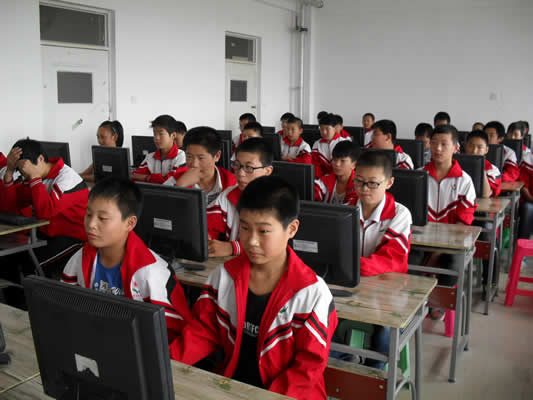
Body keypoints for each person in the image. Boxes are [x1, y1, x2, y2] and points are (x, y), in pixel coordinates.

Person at [170, 176, 337, 399]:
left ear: (292, 229)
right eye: (245, 228)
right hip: (232, 386)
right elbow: (203, 331)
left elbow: (307, 368)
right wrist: (167, 364)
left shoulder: (311, 293)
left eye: (264, 231)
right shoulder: (225, 276)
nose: (251, 241)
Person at [61, 177, 191, 341]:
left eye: (102, 218)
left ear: (130, 223)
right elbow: (65, 307)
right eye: (88, 214)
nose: (91, 224)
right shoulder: (80, 259)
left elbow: (171, 334)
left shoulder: (151, 272)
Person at [0, 139, 89, 278]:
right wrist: (9, 172)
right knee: (9, 258)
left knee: (30, 267)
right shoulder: (37, 175)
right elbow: (12, 206)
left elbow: (45, 213)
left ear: (40, 159)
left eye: (25, 169)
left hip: (73, 237)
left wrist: (34, 177)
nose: (24, 175)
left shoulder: (67, 178)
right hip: (47, 233)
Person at [206, 138, 273, 257]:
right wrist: (206, 237)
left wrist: (233, 247)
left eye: (249, 168)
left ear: (267, 171)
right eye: (237, 165)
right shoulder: (228, 196)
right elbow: (209, 225)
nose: (240, 173)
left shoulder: (276, 200)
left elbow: (274, 243)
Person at [163, 126, 236, 205]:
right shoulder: (176, 180)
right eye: (189, 157)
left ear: (217, 156)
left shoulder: (232, 183)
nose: (194, 164)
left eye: (201, 158)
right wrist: (179, 187)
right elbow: (159, 207)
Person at [132, 115, 186, 183]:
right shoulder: (150, 157)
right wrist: (158, 179)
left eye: (161, 134)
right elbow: (134, 176)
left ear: (173, 135)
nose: (156, 138)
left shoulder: (181, 156)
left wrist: (147, 177)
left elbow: (172, 181)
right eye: (154, 133)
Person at [314, 140, 359, 204]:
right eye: (334, 160)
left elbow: (349, 208)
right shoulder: (326, 179)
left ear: (354, 165)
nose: (337, 164)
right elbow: (314, 192)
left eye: (342, 161)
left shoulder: (358, 186)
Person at [312, 113, 350, 178]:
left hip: (339, 177)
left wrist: (330, 179)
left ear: (335, 128)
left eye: (327, 129)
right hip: (321, 178)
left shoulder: (344, 142)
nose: (324, 132)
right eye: (321, 129)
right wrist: (320, 179)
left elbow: (344, 165)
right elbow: (315, 164)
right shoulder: (317, 144)